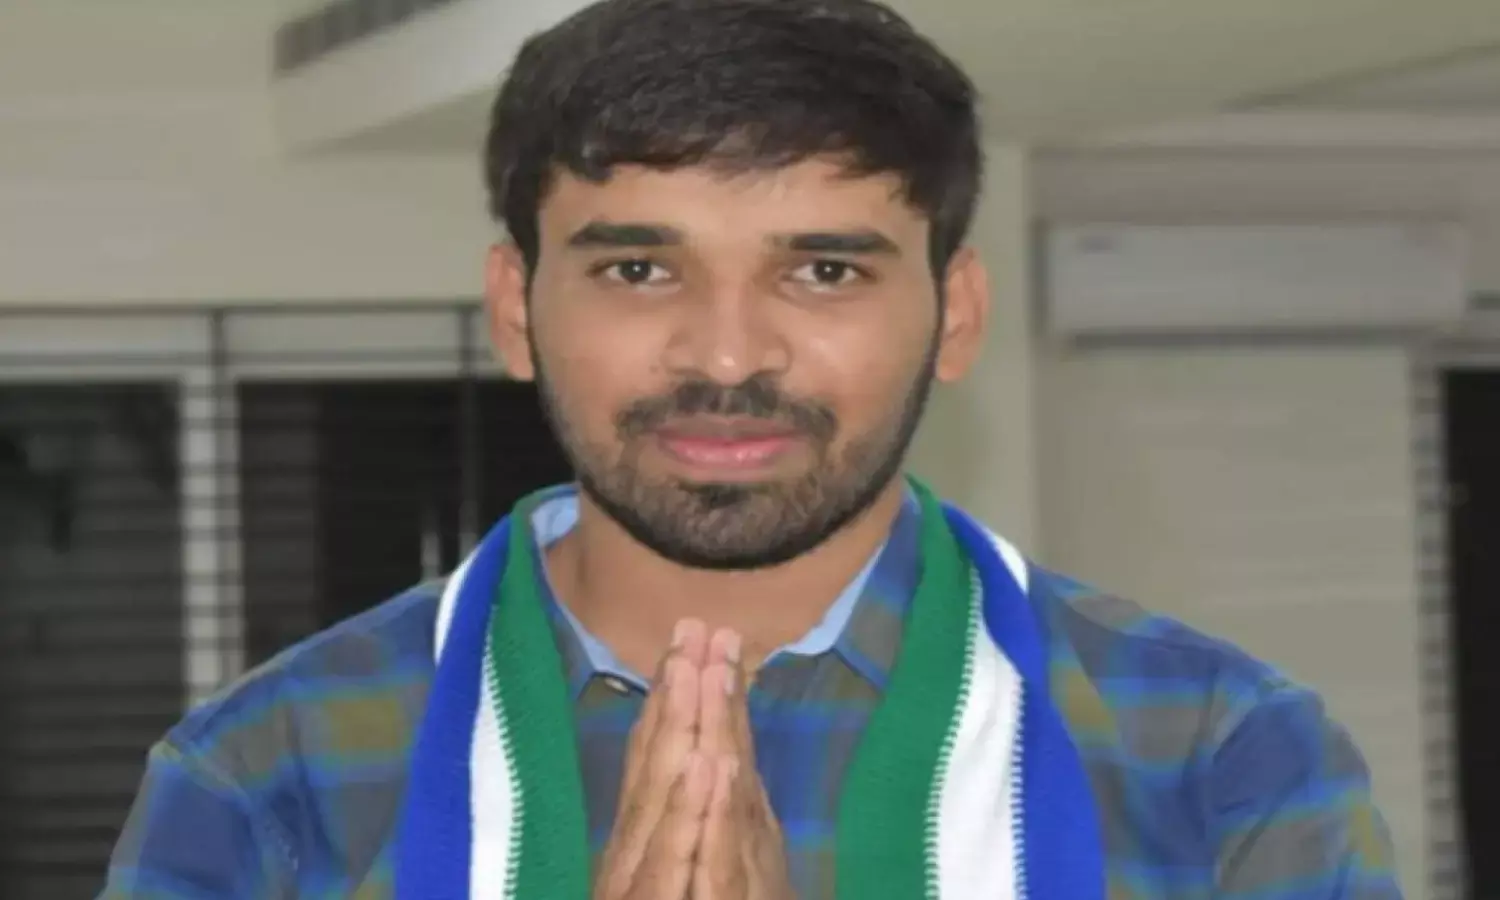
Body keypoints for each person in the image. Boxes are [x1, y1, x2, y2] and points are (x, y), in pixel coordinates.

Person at [100, 0, 1404, 897]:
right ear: (515, 310)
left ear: (954, 315)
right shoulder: (269, 777)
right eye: (638, 268)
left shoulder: (1223, 760)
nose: (728, 357)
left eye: (824, 269)